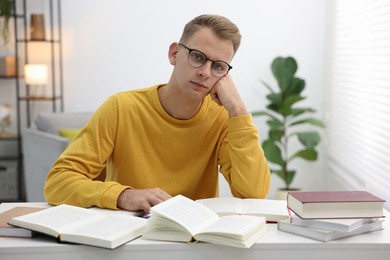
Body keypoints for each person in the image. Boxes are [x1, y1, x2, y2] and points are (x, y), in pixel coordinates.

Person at [44, 14, 270, 213]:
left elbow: (253, 194)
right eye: (198, 57)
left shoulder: (222, 119)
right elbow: (58, 183)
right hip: (128, 237)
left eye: (218, 66)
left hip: (195, 241)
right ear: (174, 53)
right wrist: (123, 195)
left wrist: (238, 111)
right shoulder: (120, 107)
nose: (204, 72)